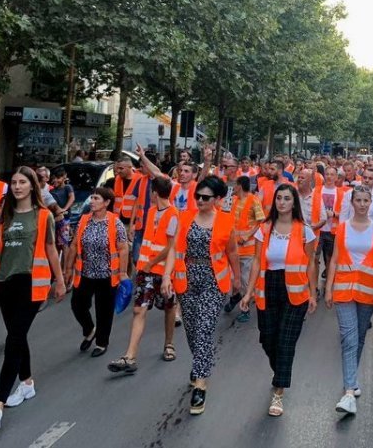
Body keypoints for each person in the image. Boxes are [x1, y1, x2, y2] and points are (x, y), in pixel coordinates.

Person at [0, 166, 65, 432]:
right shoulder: (4, 215)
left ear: (32, 186)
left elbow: (50, 248)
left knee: (13, 341)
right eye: (14, 182)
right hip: (5, 283)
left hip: (32, 286)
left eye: (23, 182)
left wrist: (59, 281)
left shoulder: (44, 215)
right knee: (16, 335)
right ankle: (27, 383)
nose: (17, 186)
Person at [239, 184, 318, 417]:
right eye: (279, 198)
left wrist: (313, 293)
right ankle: (280, 372)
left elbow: (311, 263)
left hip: (295, 292)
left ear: (294, 203)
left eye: (286, 198)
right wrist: (248, 292)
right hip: (268, 287)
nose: (282, 202)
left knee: (285, 340)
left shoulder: (305, 231)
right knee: (267, 337)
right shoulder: (264, 229)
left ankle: (279, 391)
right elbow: (255, 262)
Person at [163, 176, 240, 415]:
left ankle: (201, 383)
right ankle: (199, 363)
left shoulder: (226, 221)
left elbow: (233, 251)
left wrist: (237, 278)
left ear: (217, 199)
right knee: (192, 329)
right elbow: (174, 248)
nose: (200, 200)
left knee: (205, 328)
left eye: (205, 197)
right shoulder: (185, 217)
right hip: (186, 279)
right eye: (198, 196)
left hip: (214, 280)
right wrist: (166, 277)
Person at [324, 185, 373, 415]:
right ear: (352, 203)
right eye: (357, 200)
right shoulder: (342, 228)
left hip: (367, 290)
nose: (361, 204)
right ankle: (349, 392)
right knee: (349, 338)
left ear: (371, 203)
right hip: (343, 289)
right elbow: (334, 260)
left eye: (365, 200)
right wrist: (328, 288)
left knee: (359, 337)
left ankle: (352, 378)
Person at [108, 177, 178, 374]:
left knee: (169, 308)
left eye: (150, 192)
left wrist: (152, 263)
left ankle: (169, 344)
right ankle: (130, 356)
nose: (149, 195)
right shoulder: (151, 211)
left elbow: (171, 246)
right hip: (145, 271)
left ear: (155, 193)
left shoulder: (173, 215)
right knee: (139, 310)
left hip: (164, 272)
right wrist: (143, 265)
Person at [65, 187, 129, 357]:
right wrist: (68, 269)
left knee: (104, 311)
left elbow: (123, 249)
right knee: (77, 304)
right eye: (91, 197)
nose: (92, 201)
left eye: (96, 198)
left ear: (107, 203)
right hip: (85, 273)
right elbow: (73, 246)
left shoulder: (115, 223)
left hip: (107, 276)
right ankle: (89, 329)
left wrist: (122, 272)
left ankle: (101, 342)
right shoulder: (84, 220)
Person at [224, 176, 265, 323]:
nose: (233, 187)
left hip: (248, 250)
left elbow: (261, 221)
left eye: (235, 184)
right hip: (233, 249)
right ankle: (235, 297)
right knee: (234, 278)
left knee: (246, 281)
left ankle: (245, 309)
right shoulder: (233, 200)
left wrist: (248, 235)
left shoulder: (253, 200)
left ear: (240, 186)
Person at [315, 167, 345, 284]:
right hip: (318, 229)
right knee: (314, 259)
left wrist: (333, 214)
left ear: (336, 177)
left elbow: (344, 213)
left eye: (332, 174)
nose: (329, 177)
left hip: (333, 231)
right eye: (327, 174)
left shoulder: (341, 193)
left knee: (330, 260)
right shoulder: (316, 190)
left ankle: (328, 284)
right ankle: (315, 287)